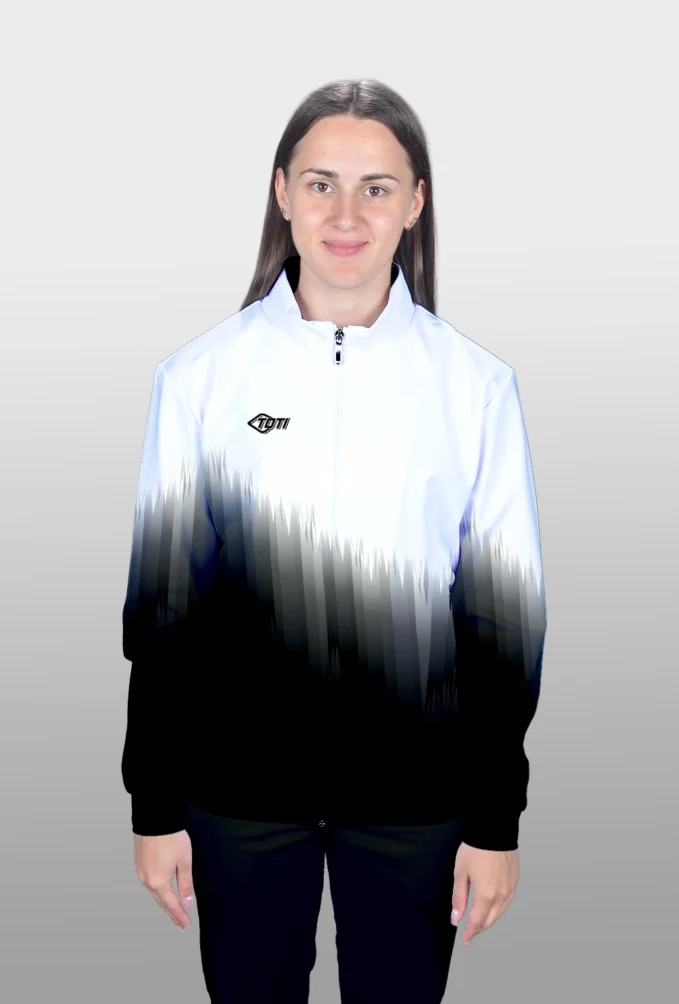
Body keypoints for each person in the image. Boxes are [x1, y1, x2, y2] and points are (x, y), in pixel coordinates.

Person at [120, 77, 547, 1004]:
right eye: (321, 184)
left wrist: (495, 821)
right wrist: (153, 806)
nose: (346, 215)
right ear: (282, 192)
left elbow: (504, 626)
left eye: (376, 188)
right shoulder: (200, 379)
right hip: (237, 799)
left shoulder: (474, 388)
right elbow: (161, 613)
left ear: (415, 203)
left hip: (416, 805)